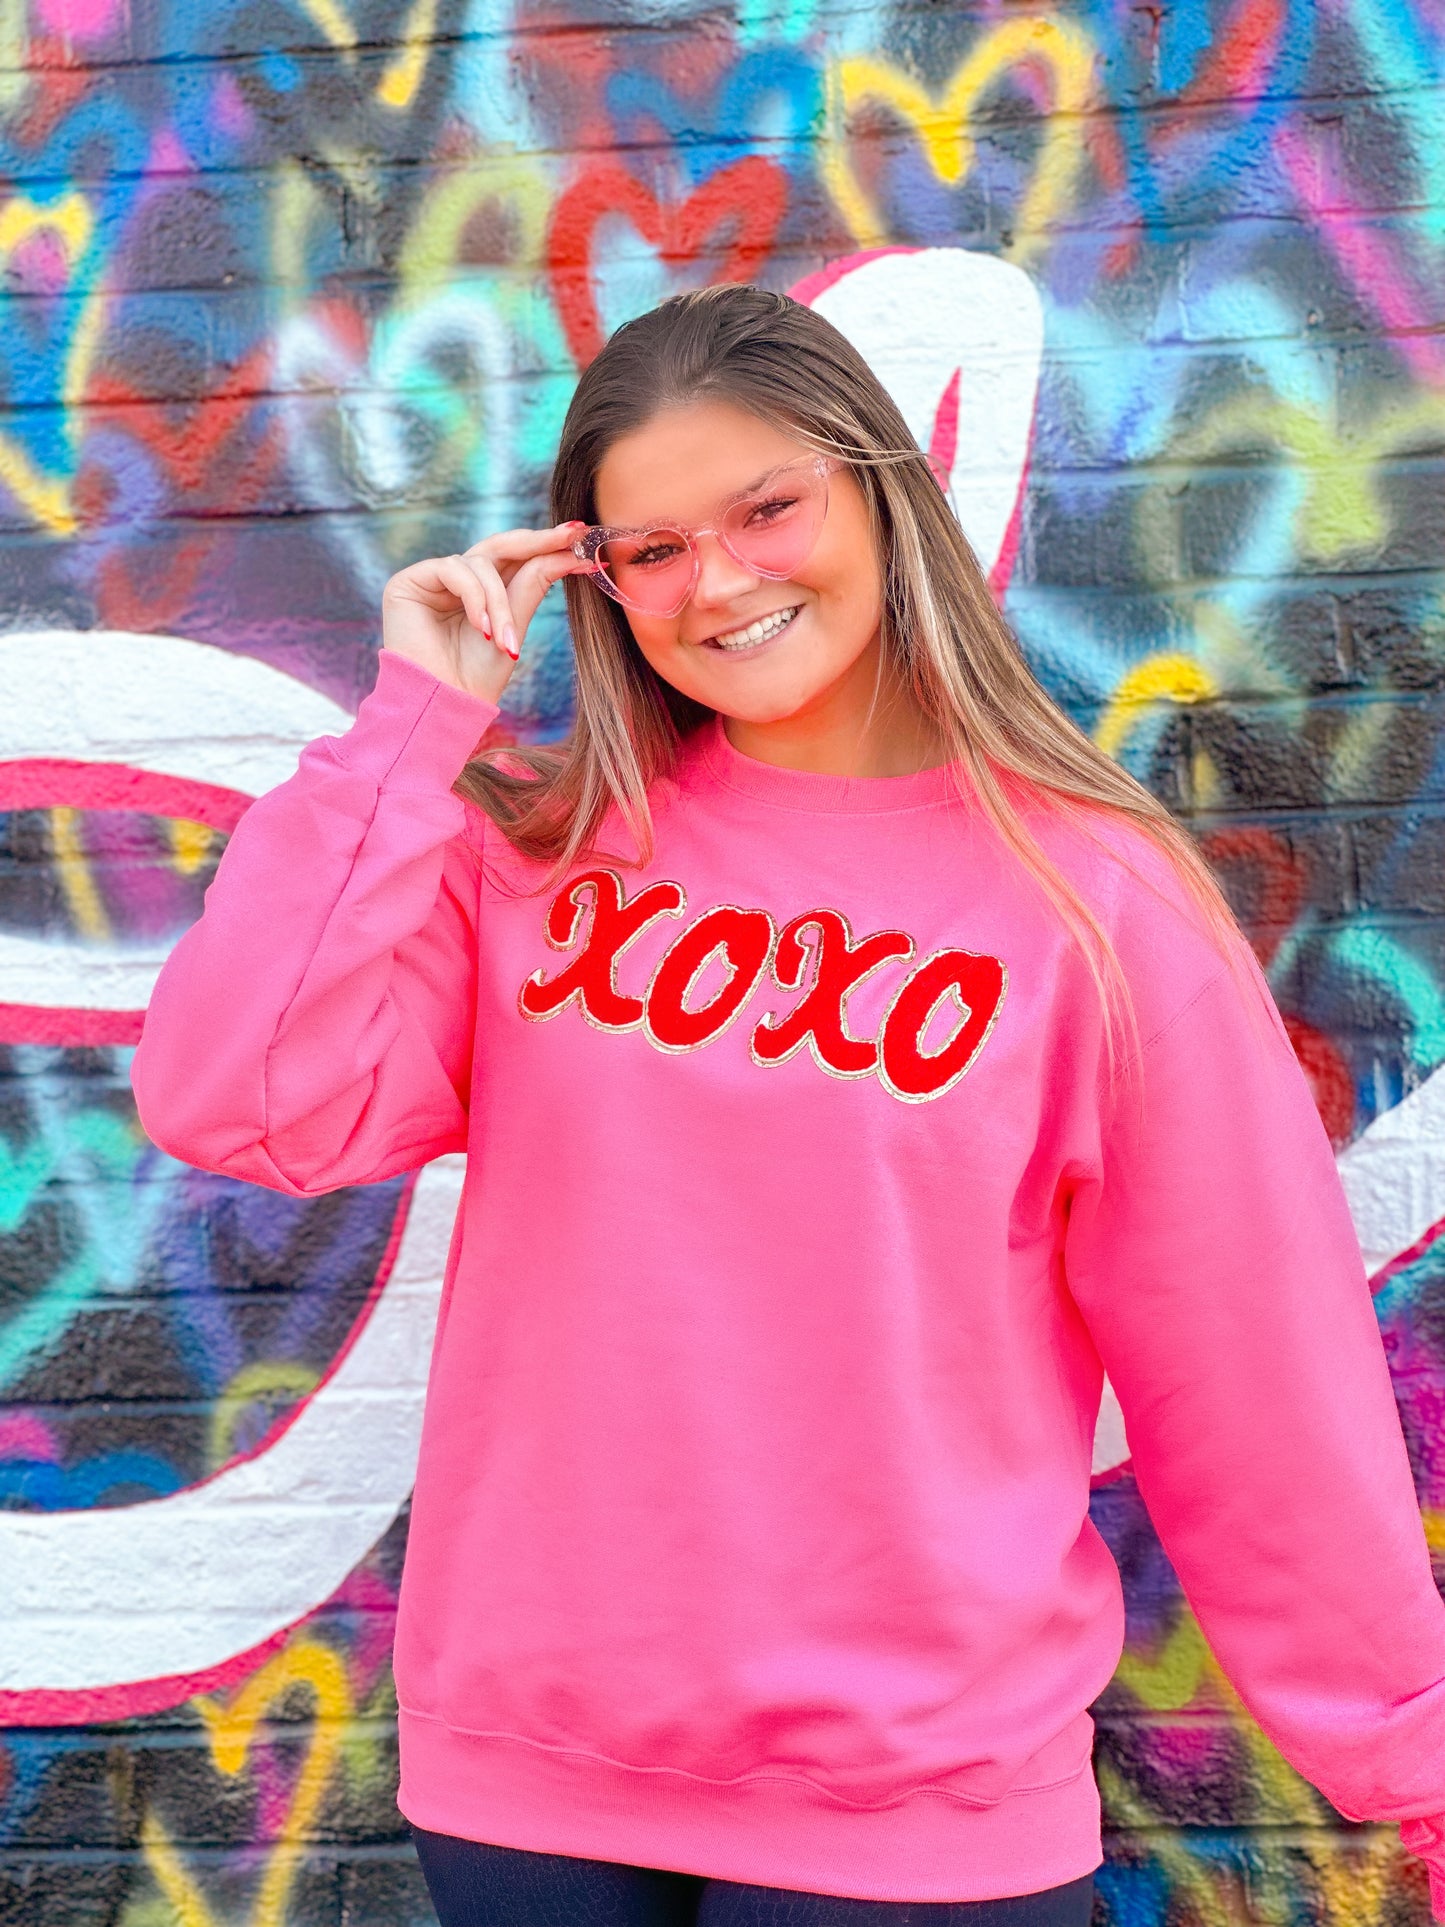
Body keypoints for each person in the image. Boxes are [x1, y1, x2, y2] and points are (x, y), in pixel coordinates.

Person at [130, 284, 1445, 1927]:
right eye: (652, 549)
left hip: (916, 1803)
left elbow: (1254, 1376)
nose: (719, 583)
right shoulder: (531, 857)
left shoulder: (1095, 905)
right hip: (529, 1786)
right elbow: (232, 1095)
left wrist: (1414, 1768)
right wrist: (415, 726)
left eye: (767, 509)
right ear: (595, 583)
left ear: (879, 489)